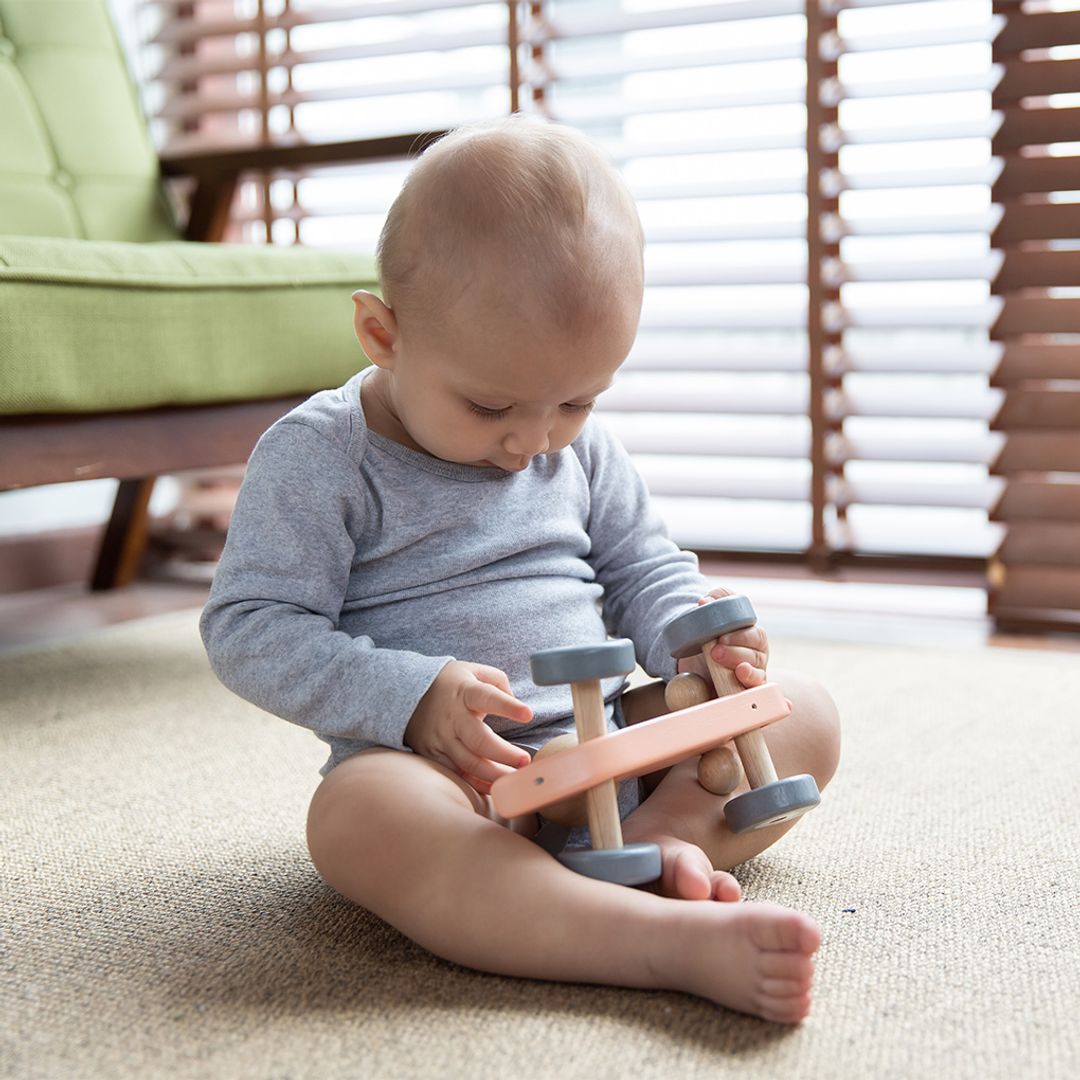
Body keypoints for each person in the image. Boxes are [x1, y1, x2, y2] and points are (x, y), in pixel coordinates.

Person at [201, 115, 840, 1024]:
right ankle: (647, 937)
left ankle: (637, 860)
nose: (532, 441)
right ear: (382, 333)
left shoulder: (577, 448)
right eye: (491, 403)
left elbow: (643, 566)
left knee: (803, 714)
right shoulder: (319, 458)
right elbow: (248, 627)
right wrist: (408, 698)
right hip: (453, 779)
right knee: (355, 820)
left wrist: (695, 638)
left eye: (577, 401)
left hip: (619, 734)